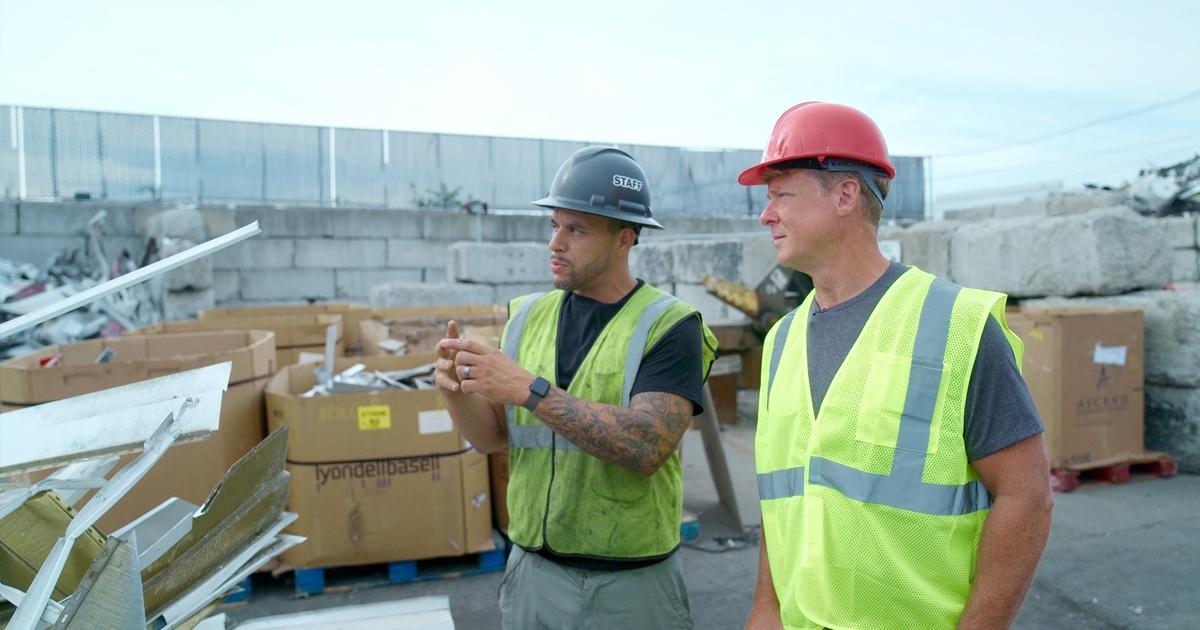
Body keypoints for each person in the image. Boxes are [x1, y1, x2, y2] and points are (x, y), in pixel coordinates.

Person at [740, 102, 1053, 630]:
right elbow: (790, 494)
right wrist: (766, 609)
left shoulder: (956, 324)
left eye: (780, 194)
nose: (766, 214)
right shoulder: (779, 341)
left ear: (845, 195)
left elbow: (1026, 496)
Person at [433, 145, 718, 630]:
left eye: (576, 229)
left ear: (625, 238)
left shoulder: (669, 326)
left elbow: (646, 445)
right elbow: (491, 438)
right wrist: (456, 393)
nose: (555, 243)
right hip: (533, 576)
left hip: (630, 586)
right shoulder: (525, 317)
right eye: (554, 226)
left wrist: (529, 389)